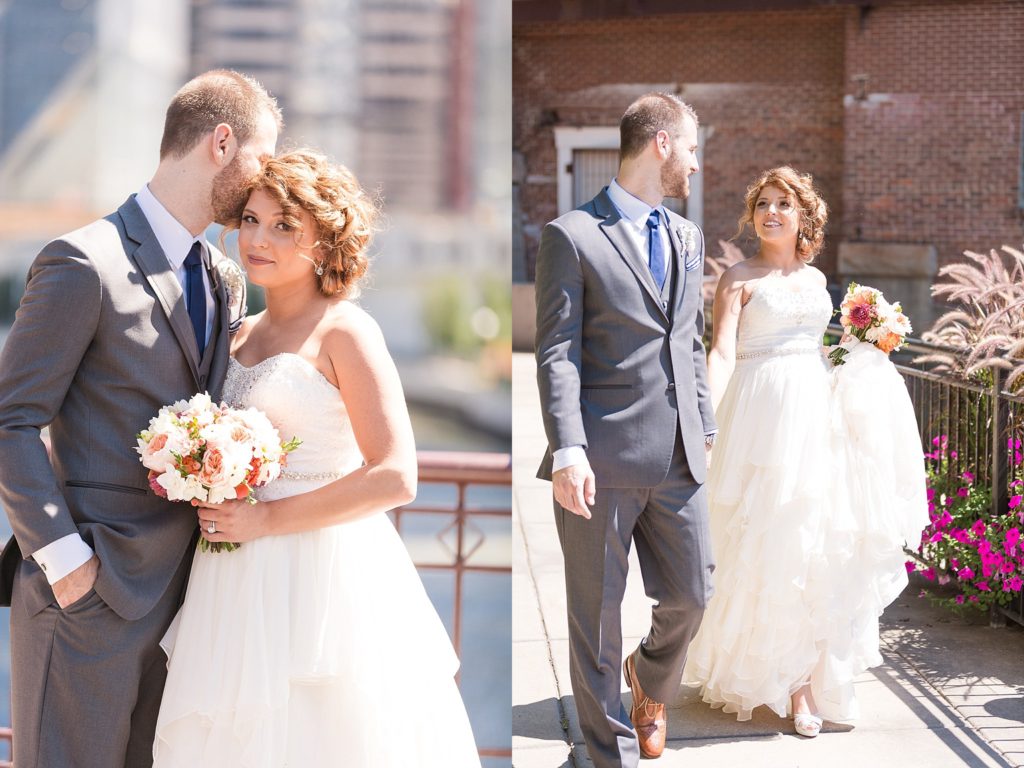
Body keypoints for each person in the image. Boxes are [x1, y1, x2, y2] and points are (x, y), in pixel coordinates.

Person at [151, 150, 482, 767]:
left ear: (325, 244)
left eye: (284, 227)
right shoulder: (236, 333)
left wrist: (268, 521)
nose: (258, 239)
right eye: (250, 219)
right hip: (231, 574)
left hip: (323, 573)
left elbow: (395, 475)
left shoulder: (346, 331)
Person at [0, 70, 280, 765]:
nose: (263, 182)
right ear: (222, 142)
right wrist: (66, 564)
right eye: (262, 159)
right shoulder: (81, 262)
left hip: (191, 608)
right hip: (90, 599)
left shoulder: (226, 279)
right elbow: (10, 421)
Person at [682, 166, 927, 737]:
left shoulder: (817, 282)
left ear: (801, 216)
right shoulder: (737, 278)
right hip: (759, 419)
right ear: (752, 215)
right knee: (766, 541)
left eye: (783, 204)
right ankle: (782, 680)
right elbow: (719, 354)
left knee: (816, 545)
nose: (771, 212)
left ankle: (806, 684)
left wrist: (861, 347)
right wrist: (708, 423)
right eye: (763, 204)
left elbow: (821, 354)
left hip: (816, 417)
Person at [534, 92, 716, 767]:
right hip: (600, 459)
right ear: (662, 143)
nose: (696, 165)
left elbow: (689, 342)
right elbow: (557, 353)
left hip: (678, 458)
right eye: (692, 149)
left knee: (695, 593)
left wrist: (706, 428)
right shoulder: (571, 234)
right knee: (597, 622)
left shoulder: (687, 237)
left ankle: (650, 680)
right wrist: (569, 449)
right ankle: (606, 756)